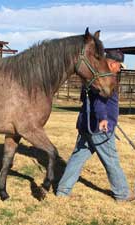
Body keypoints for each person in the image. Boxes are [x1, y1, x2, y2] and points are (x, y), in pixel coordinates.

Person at [56, 49, 135, 201]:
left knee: (77, 158)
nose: (120, 69)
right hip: (100, 129)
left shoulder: (92, 77)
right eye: (119, 66)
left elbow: (85, 99)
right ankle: (122, 193)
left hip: (86, 126)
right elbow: (99, 101)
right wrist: (103, 118)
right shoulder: (105, 79)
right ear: (112, 64)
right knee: (111, 160)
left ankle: (62, 191)